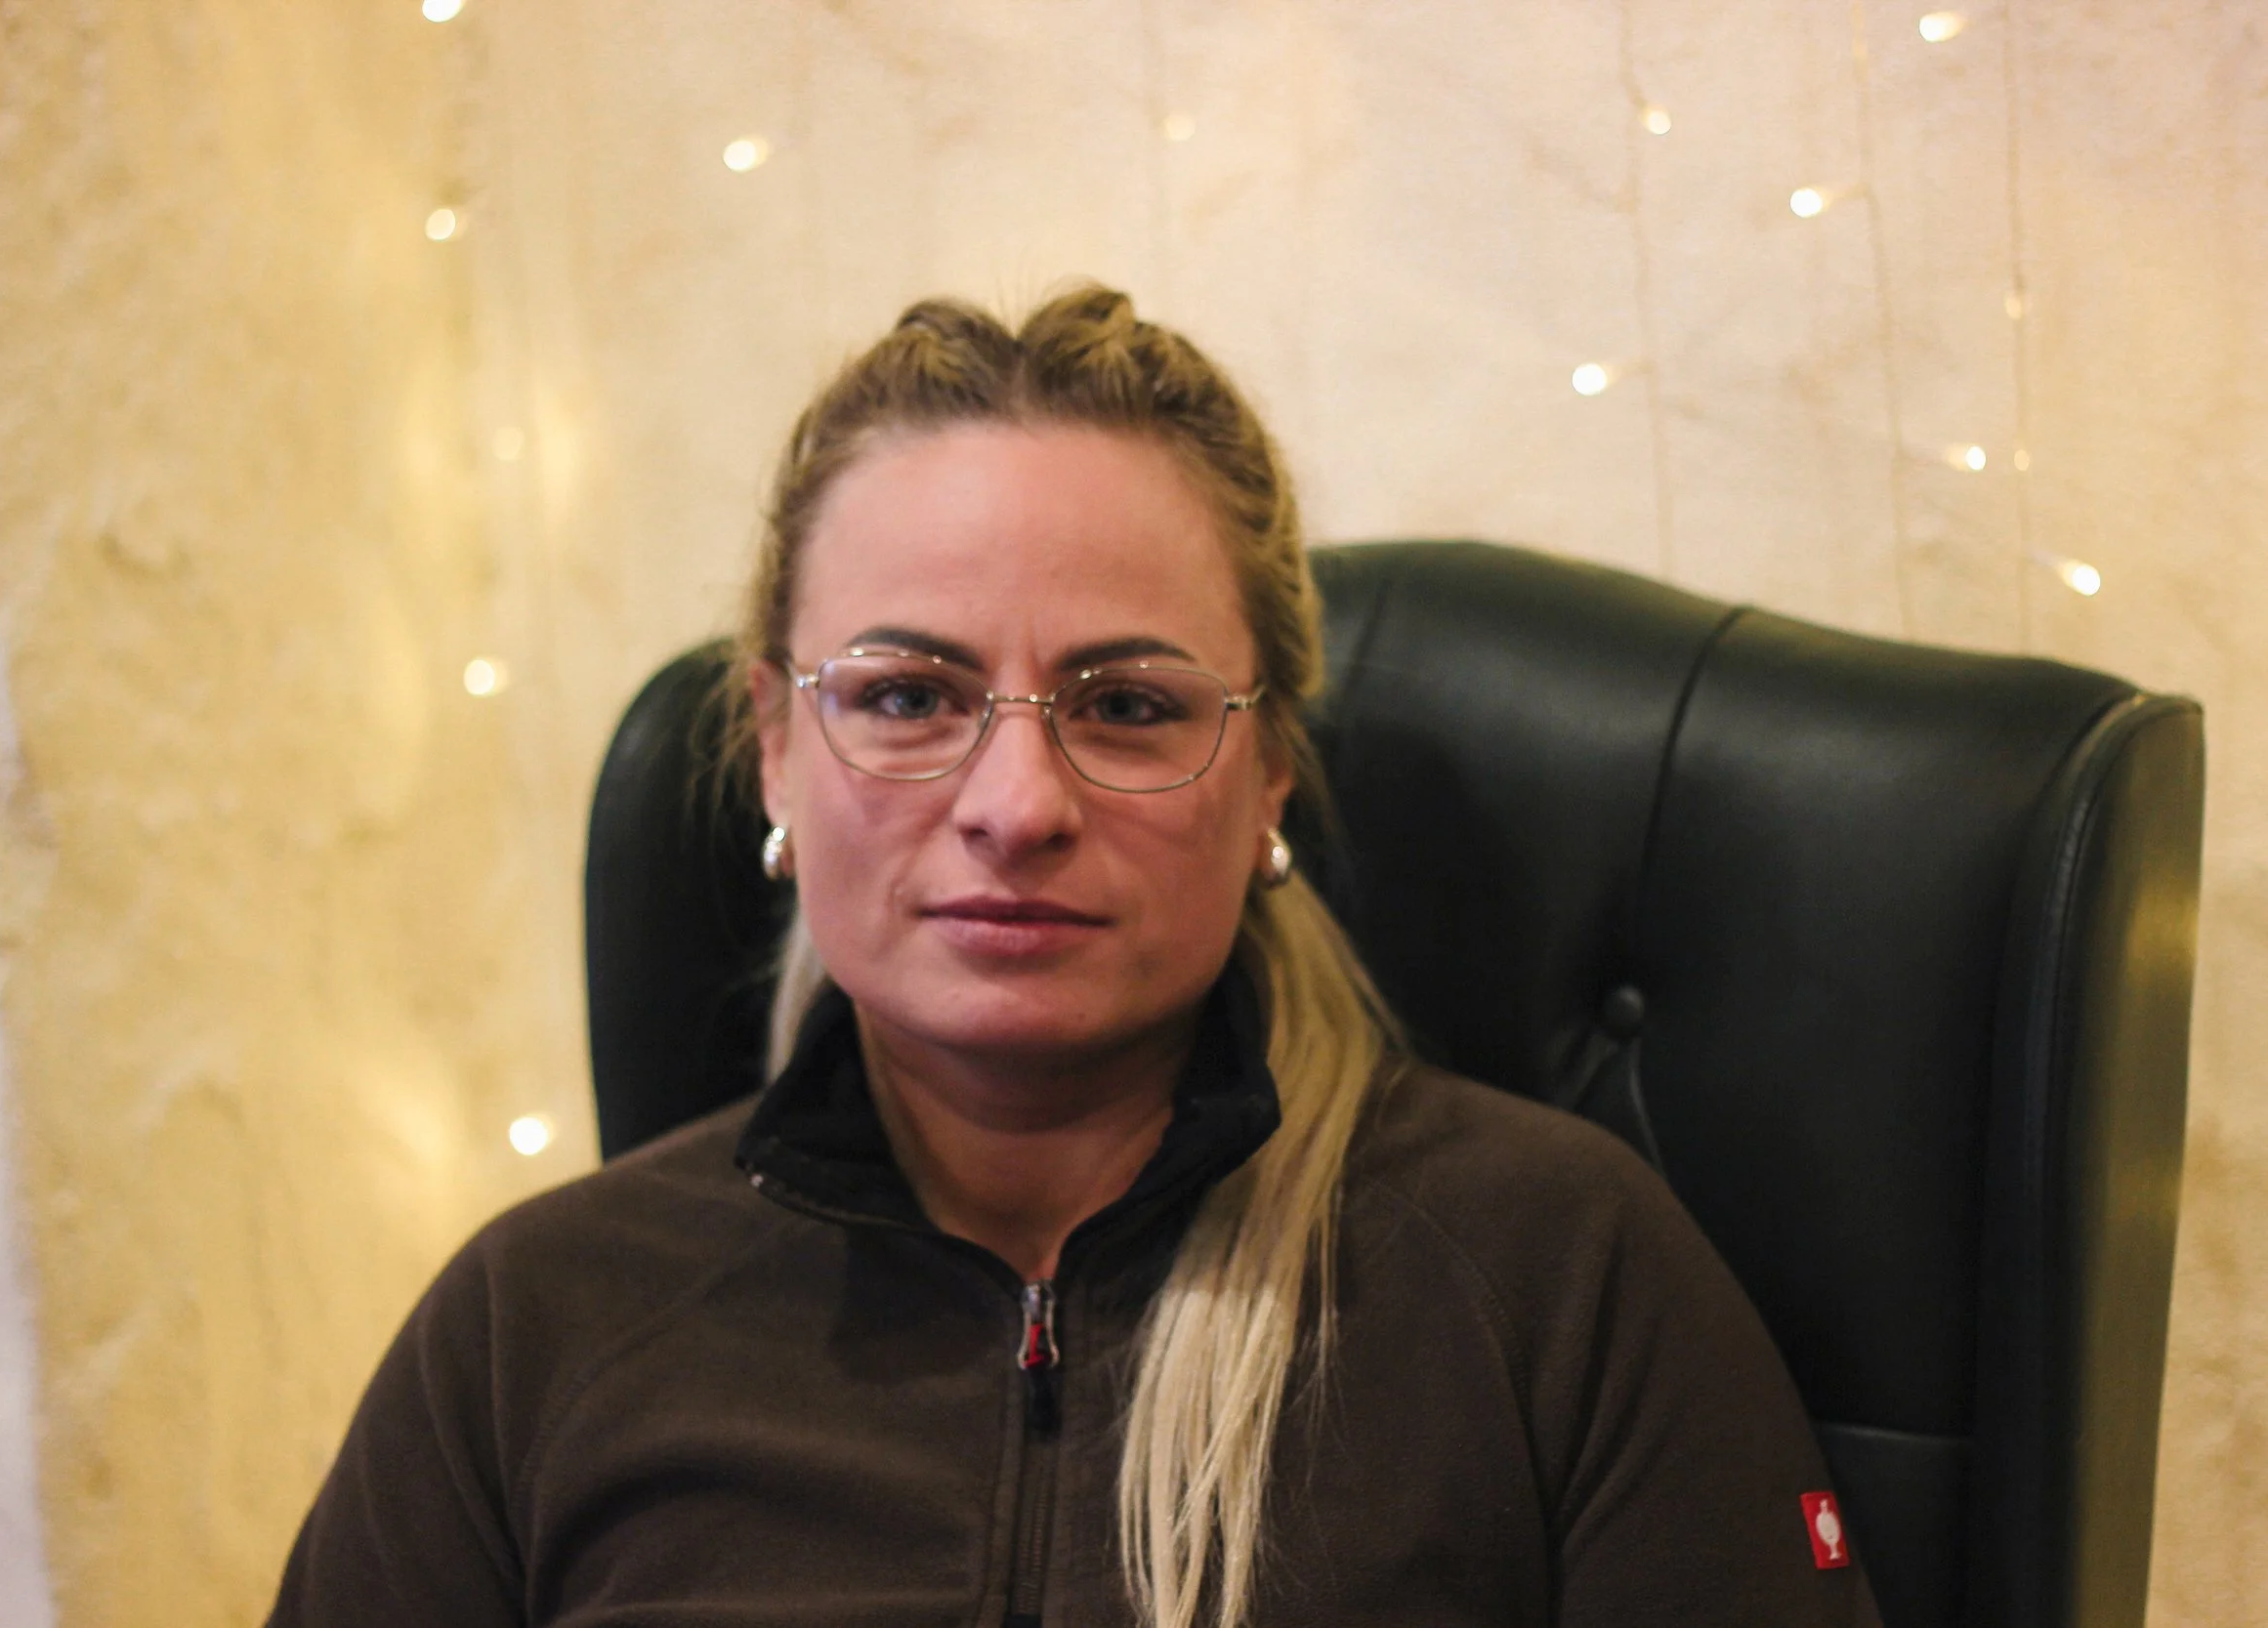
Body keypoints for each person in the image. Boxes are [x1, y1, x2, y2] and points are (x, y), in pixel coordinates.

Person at [268, 286, 1883, 1628]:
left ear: (1268, 773)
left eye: (1126, 706)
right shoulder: (527, 1331)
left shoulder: (1562, 1279)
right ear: (773, 748)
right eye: (908, 696)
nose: (1018, 805)